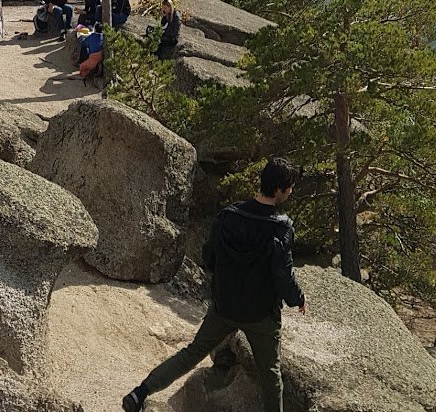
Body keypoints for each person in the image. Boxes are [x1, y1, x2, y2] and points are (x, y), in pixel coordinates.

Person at [127, 159, 305, 412]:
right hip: (261, 314)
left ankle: (140, 393)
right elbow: (283, 274)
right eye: (290, 187)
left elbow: (210, 257)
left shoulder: (229, 216)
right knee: (270, 376)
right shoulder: (280, 228)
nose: (291, 192)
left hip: (225, 306)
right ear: (279, 189)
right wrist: (298, 298)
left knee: (192, 353)